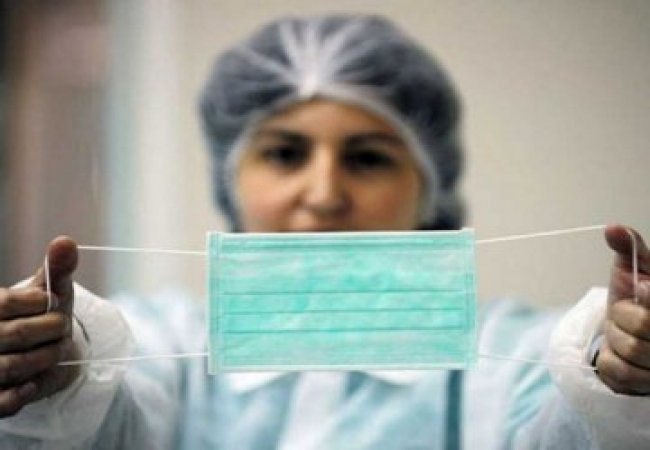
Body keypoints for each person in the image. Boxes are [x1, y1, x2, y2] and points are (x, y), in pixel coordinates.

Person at [0, 14, 648, 449]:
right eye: (285, 154)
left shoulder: (513, 358)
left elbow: (581, 425)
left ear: (430, 184)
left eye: (367, 158)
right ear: (232, 177)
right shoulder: (156, 344)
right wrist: (54, 384)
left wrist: (617, 378)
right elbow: (97, 421)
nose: (323, 194)